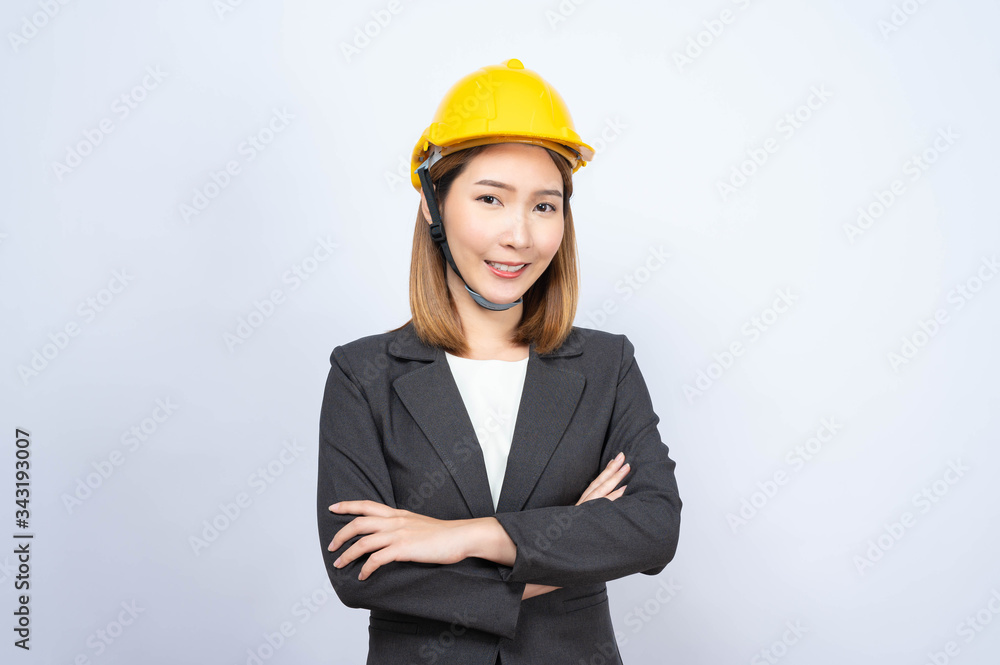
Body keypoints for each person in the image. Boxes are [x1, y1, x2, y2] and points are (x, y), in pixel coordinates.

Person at [316, 58, 682, 665]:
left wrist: (463, 538)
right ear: (434, 204)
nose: (521, 235)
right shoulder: (364, 375)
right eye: (491, 198)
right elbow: (362, 572)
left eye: (545, 206)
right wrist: (571, 539)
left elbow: (652, 526)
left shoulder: (607, 363)